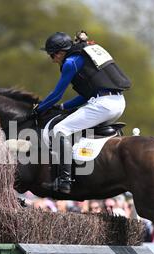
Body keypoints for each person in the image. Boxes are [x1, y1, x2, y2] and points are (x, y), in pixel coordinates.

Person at [36, 31, 131, 193]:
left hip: (104, 105)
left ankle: (65, 181)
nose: (52, 60)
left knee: (60, 129)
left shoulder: (70, 62)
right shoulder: (84, 56)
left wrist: (38, 109)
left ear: (59, 53)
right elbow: (86, 95)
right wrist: (63, 107)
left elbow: (56, 94)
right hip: (119, 103)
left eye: (52, 56)